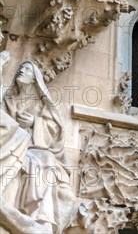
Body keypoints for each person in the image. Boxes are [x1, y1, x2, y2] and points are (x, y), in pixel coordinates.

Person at [2, 61, 75, 233]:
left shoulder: (41, 103)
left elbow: (56, 130)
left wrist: (35, 122)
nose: (21, 70)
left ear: (35, 78)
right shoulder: (8, 99)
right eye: (20, 68)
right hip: (12, 146)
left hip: (36, 147)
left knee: (46, 159)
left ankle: (43, 219)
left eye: (27, 69)